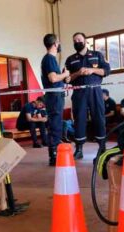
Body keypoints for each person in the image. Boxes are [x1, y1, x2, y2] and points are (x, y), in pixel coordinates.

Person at [65, 32, 111, 159]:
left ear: (85, 41)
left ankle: (102, 148)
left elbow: (106, 71)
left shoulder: (97, 55)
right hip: (79, 93)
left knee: (99, 118)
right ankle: (79, 149)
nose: (77, 42)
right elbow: (67, 79)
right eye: (75, 40)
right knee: (79, 120)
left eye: (79, 39)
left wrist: (92, 70)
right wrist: (78, 73)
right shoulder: (70, 59)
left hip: (95, 91)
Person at [41, 33, 70, 165]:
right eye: (58, 42)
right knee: (55, 125)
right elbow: (53, 78)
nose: (59, 44)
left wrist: (63, 77)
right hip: (54, 97)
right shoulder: (49, 59)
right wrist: (65, 74)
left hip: (55, 95)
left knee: (56, 124)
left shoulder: (50, 59)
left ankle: (55, 153)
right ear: (55, 44)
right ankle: (54, 156)